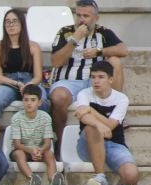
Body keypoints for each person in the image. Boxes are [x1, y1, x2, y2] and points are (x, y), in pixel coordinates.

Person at [47, 1, 126, 132]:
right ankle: (59, 141)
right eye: (78, 15)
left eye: (86, 16)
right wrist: (74, 39)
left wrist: (99, 51)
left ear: (96, 18)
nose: (81, 20)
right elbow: (56, 62)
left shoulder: (103, 32)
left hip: (93, 80)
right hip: (68, 82)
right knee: (58, 97)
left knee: (115, 61)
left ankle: (116, 114)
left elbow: (123, 50)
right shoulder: (65, 32)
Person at [72, 60, 139, 185]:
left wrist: (91, 110)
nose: (96, 81)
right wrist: (99, 125)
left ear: (111, 80)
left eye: (101, 77)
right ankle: (100, 176)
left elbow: (111, 125)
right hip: (88, 144)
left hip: (114, 144)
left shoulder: (121, 99)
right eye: (93, 77)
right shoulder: (84, 94)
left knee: (131, 175)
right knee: (92, 128)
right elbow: (82, 115)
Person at [0, 8, 47, 112]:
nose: (11, 24)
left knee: (42, 101)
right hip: (8, 83)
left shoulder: (33, 46)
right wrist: (17, 84)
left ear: (22, 24)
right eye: (8, 22)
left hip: (30, 82)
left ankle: (41, 128)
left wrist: (27, 86)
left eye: (14, 21)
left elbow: (38, 76)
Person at [5, 82, 57, 185]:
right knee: (19, 154)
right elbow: (17, 144)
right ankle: (33, 179)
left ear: (39, 102)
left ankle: (54, 181)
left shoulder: (46, 117)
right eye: (26, 100)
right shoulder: (16, 118)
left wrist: (40, 151)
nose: (29, 103)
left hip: (38, 150)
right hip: (22, 150)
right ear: (22, 101)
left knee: (49, 154)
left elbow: (48, 143)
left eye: (33, 100)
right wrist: (31, 150)